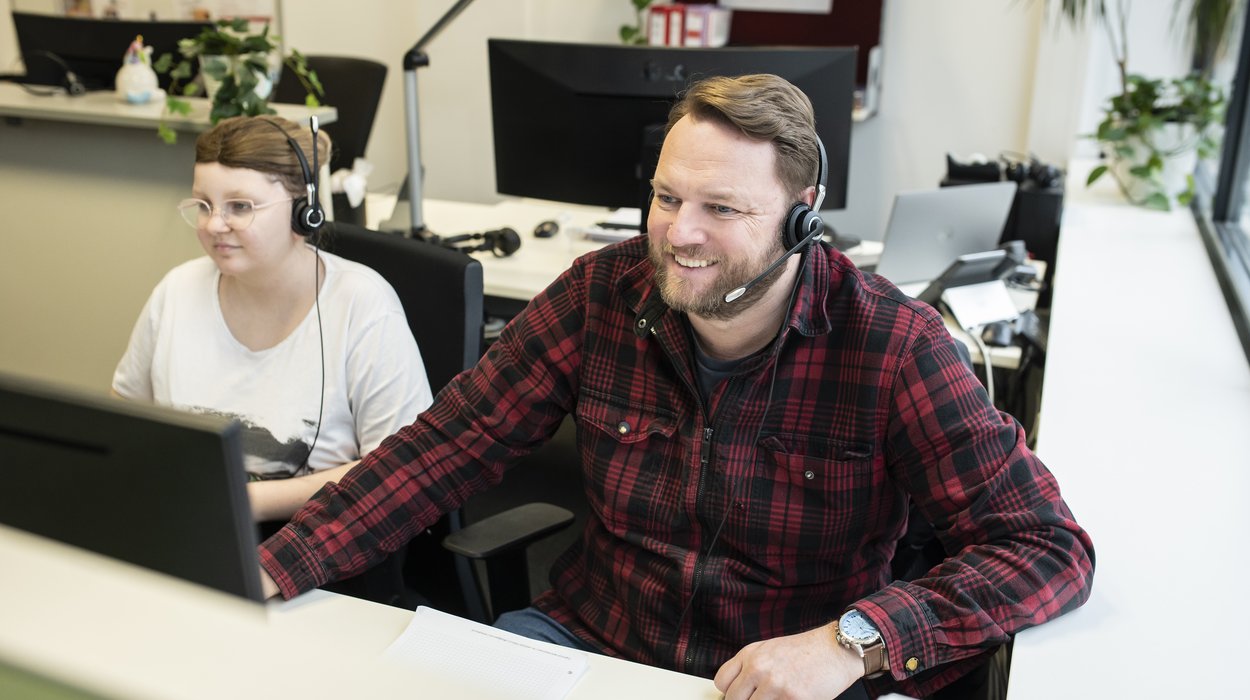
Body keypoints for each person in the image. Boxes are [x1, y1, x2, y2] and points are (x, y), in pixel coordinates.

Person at [256, 75, 1094, 698]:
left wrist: (851, 644)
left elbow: (1044, 547)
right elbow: (445, 449)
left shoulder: (892, 345)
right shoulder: (601, 292)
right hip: (593, 642)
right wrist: (273, 567)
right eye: (665, 197)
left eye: (721, 209)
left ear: (803, 214)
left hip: (782, 673)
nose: (678, 233)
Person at [113, 115, 432, 524]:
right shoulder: (178, 289)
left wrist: (247, 501)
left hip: (319, 535)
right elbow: (124, 415)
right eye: (204, 205)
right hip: (189, 523)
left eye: (240, 206)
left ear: (304, 213)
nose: (214, 224)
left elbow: (401, 468)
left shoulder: (362, 305)